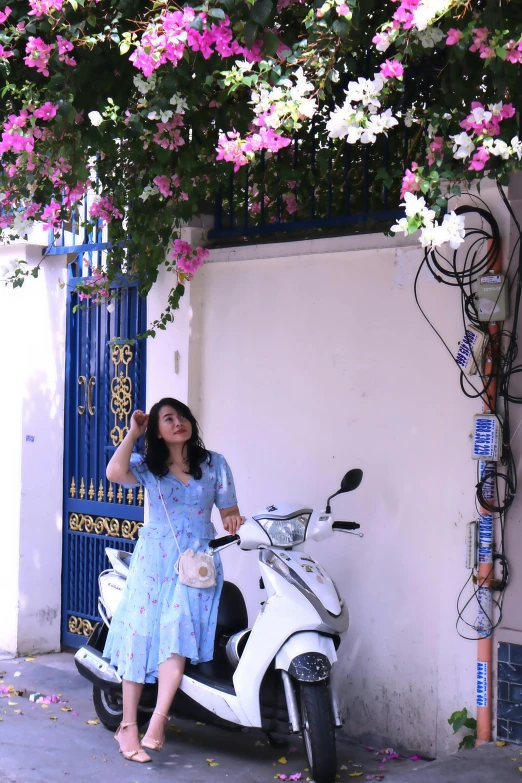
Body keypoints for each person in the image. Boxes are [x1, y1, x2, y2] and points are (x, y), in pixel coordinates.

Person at [103, 397, 245, 763]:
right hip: (154, 559)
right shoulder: (149, 467)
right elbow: (114, 473)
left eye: (181, 416)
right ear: (158, 431)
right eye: (168, 419)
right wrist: (133, 432)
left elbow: (229, 510)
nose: (178, 422)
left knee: (177, 634)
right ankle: (128, 725)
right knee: (140, 633)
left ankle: (158, 723)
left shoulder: (215, 464)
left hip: (196, 562)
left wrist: (231, 520)